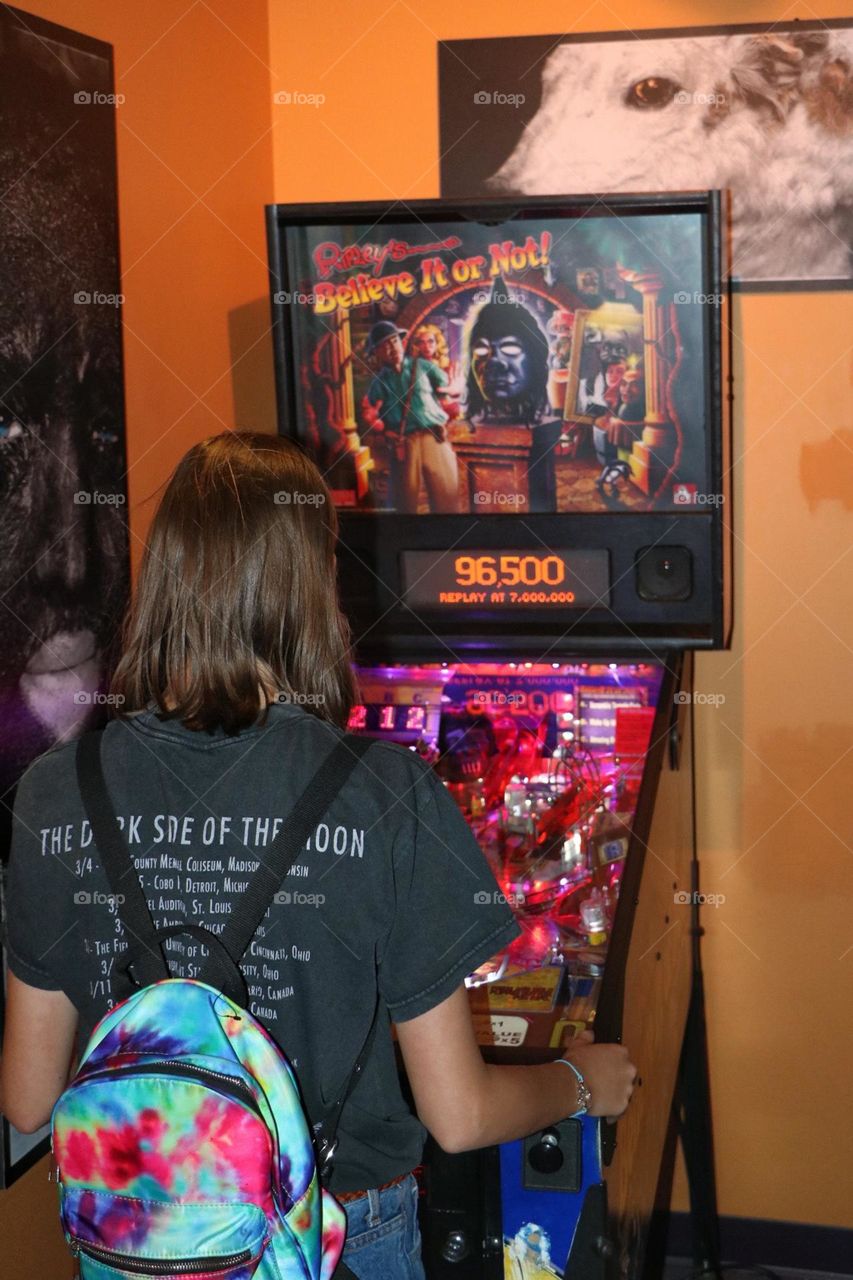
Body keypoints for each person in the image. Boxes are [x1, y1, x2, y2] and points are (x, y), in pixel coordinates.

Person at [0, 432, 636, 1279]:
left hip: (143, 1237)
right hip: (341, 1234)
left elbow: (29, 1097)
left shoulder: (55, 788)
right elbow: (459, 1114)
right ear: (310, 587)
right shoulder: (383, 791)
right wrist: (582, 1081)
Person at [364, 320, 460, 513]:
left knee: (447, 497)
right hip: (403, 443)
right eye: (385, 345)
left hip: (434, 437)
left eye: (394, 341)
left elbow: (447, 390)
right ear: (377, 353)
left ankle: (450, 538)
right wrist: (382, 429)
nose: (392, 348)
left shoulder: (423, 366)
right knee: (403, 503)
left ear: (402, 343)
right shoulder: (379, 382)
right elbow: (369, 412)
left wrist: (453, 391)